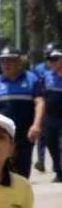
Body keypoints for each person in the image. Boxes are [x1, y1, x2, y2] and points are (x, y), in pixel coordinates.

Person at [0, 46, 45, 178]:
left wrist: (36, 125)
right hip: (2, 136)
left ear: (19, 62)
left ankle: (20, 197)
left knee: (23, 172)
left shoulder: (32, 80)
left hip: (25, 135)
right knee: (2, 172)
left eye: (10, 60)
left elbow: (40, 102)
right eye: (3, 61)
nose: (6, 64)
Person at [32, 42, 56, 173]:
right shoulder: (39, 68)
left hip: (56, 104)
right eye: (47, 55)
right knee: (41, 135)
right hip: (42, 103)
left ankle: (57, 163)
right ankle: (41, 161)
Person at [42, 48, 62, 183]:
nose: (52, 62)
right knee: (50, 143)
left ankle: (60, 172)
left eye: (56, 59)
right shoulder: (46, 76)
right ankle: (58, 168)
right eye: (50, 60)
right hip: (49, 117)